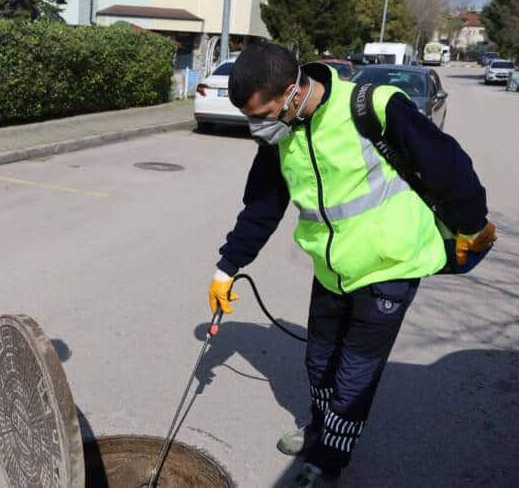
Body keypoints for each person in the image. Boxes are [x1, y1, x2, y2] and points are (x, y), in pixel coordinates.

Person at [206, 44, 495, 487]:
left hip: (390, 267)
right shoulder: (282, 134)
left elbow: (448, 167)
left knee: (353, 374)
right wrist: (227, 266)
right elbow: (262, 207)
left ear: (292, 92)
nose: (257, 127)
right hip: (332, 269)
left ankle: (327, 464)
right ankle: (321, 433)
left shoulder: (373, 106)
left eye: (263, 114)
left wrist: (472, 225)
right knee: (319, 361)